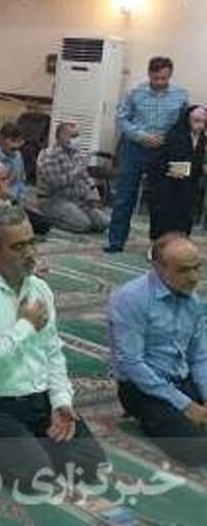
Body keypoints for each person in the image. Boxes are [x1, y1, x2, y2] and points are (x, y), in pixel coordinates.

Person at [0, 205, 107, 492]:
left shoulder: (38, 289)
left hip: (37, 401)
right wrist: (25, 325)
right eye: (17, 247)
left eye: (31, 243)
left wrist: (61, 402)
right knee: (36, 478)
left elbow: (53, 352)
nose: (29, 253)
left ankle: (21, 446)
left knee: (90, 465)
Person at [109, 233, 207, 466]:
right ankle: (146, 416)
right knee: (195, 451)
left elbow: (199, 356)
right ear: (158, 268)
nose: (194, 277)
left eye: (197, 268)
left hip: (182, 380)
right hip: (142, 389)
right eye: (184, 270)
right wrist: (185, 405)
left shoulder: (192, 299)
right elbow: (131, 364)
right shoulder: (130, 299)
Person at [107, 56, 188, 253]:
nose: (159, 82)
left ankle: (158, 245)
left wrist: (170, 141)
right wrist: (141, 136)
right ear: (149, 74)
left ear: (170, 75)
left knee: (161, 199)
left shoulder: (181, 95)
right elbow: (122, 119)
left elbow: (183, 124)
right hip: (135, 148)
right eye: (156, 78)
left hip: (163, 151)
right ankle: (116, 242)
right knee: (124, 196)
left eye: (164, 78)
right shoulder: (135, 93)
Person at [35, 122, 110, 234]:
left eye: (78, 135)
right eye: (73, 136)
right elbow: (57, 183)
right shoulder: (49, 155)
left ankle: (75, 214)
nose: (77, 139)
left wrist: (92, 193)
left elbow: (85, 177)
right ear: (61, 137)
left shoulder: (76, 153)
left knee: (104, 223)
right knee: (83, 225)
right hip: (53, 200)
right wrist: (76, 171)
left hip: (77, 200)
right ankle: (47, 219)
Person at [0, 123, 52, 237]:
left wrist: (19, 200)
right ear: (2, 140)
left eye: (19, 141)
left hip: (14, 202)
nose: (17, 145)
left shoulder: (17, 156)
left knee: (44, 224)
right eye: (13, 141)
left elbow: (21, 181)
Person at [150, 105, 207, 240]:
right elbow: (158, 161)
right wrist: (170, 169)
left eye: (204, 122)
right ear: (188, 120)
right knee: (164, 217)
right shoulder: (174, 135)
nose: (200, 125)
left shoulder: (202, 139)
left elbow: (197, 162)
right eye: (196, 121)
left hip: (189, 185)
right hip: (168, 184)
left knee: (184, 218)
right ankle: (159, 245)